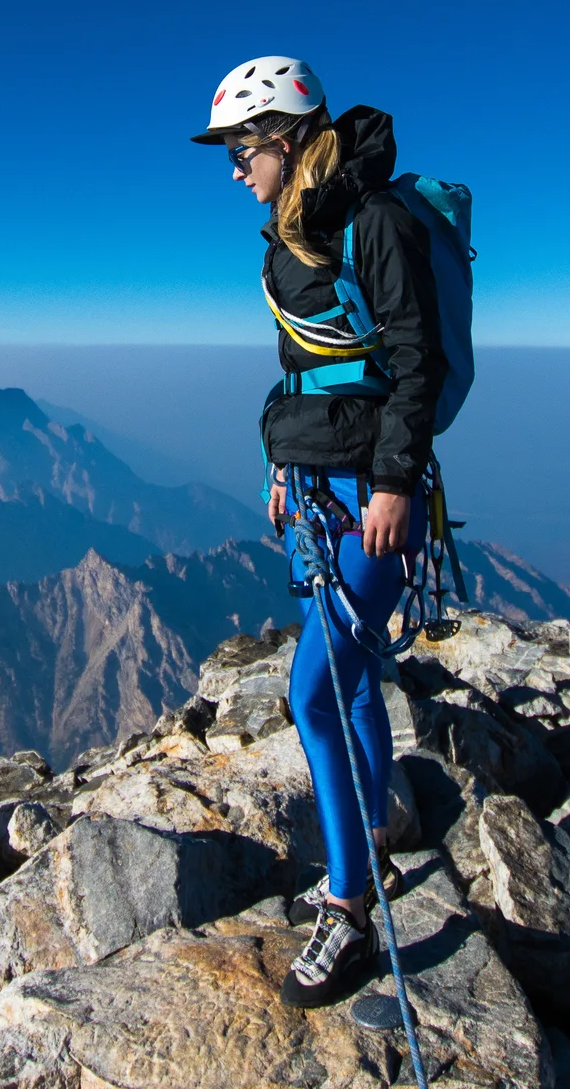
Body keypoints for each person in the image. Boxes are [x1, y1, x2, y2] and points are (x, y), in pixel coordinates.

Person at [191, 54, 447, 1009]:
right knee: (351, 673)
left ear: (286, 139)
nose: (233, 168)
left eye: (241, 148)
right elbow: (307, 364)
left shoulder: (371, 222)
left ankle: (347, 912)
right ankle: (378, 827)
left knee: (312, 694)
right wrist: (279, 468)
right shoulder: (292, 236)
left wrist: (394, 484)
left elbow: (412, 363)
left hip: (369, 499)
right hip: (315, 490)